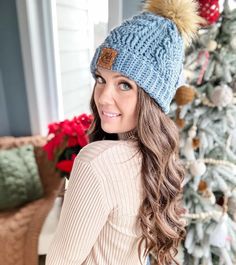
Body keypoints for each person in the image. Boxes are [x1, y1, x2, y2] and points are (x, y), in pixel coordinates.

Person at [46, 0, 203, 264]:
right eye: (100, 79)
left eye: (125, 85)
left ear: (152, 98)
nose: (104, 98)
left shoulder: (96, 162)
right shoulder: (157, 159)